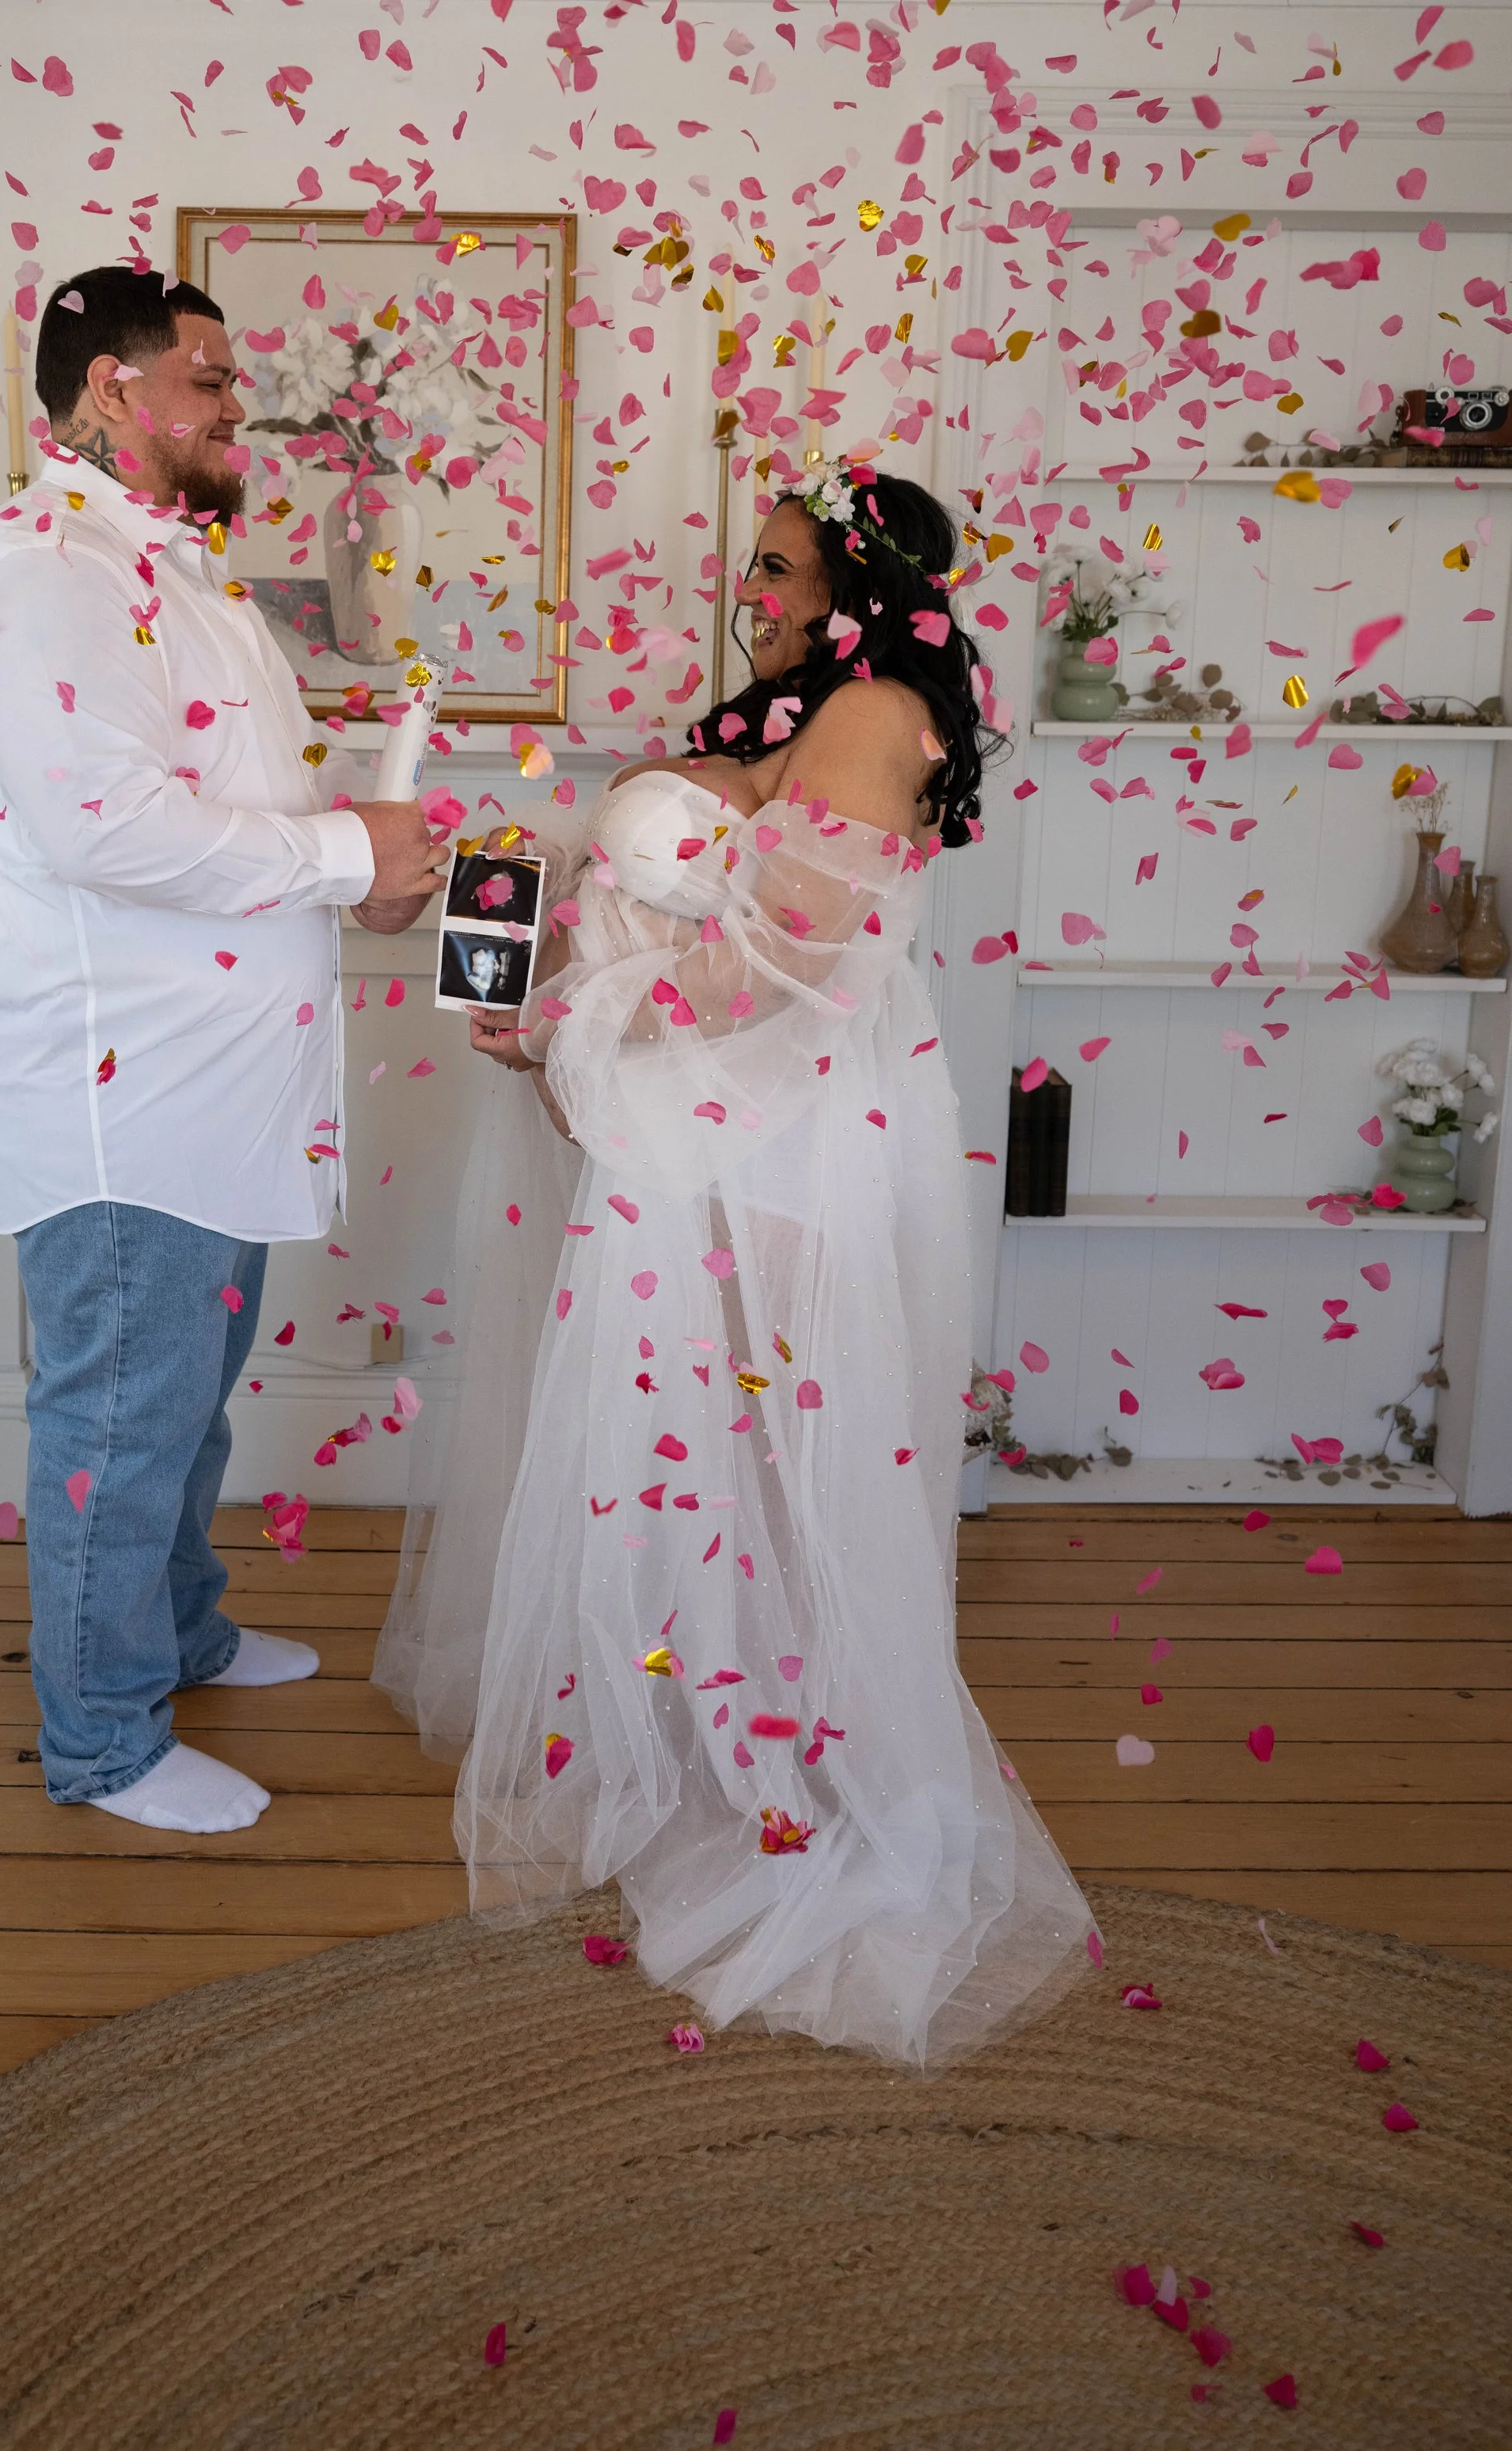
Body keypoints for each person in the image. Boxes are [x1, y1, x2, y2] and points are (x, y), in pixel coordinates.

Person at [375, 459, 1097, 2069]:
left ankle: (816, 1759)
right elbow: (672, 924)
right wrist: (536, 1009)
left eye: (775, 571)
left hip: (790, 1136)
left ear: (857, 586)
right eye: (750, 571)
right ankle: (711, 1718)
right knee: (696, 1435)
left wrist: (571, 1027)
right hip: (689, 1133)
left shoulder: (869, 713)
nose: (747, 598)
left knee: (778, 1441)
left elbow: (784, 961)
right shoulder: (777, 721)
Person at [0, 267, 446, 1837]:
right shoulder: (36, 573)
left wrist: (363, 854)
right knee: (118, 1413)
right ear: (109, 391)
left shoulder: (175, 576)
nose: (238, 408)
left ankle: (182, 1629)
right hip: (120, 1086)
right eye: (210, 378)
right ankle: (101, 1741)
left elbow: (240, 817)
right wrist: (355, 857)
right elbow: (104, 827)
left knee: (189, 1394)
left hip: (213, 1083)